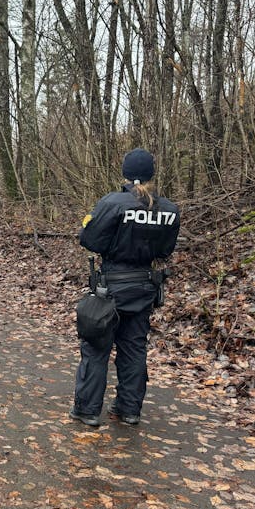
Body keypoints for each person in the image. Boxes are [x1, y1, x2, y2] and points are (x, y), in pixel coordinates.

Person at [70, 148, 180, 427]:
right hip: (144, 288)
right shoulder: (169, 210)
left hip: (112, 289)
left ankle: (88, 410)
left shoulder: (113, 203)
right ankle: (129, 410)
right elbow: (165, 250)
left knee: (96, 348)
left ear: (126, 173)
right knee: (134, 350)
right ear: (152, 174)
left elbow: (90, 239)